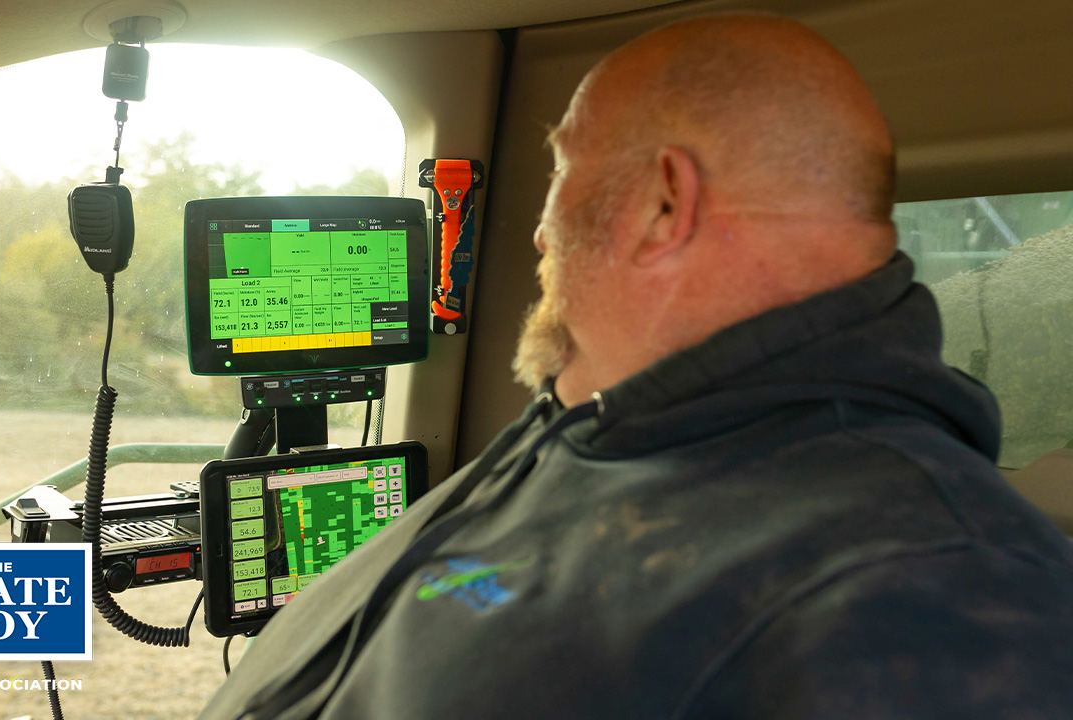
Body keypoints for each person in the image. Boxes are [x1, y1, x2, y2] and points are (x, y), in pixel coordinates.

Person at [202, 14, 1073, 719]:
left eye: (558, 172)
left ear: (663, 204)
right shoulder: (607, 429)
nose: (539, 232)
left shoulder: (933, 598)